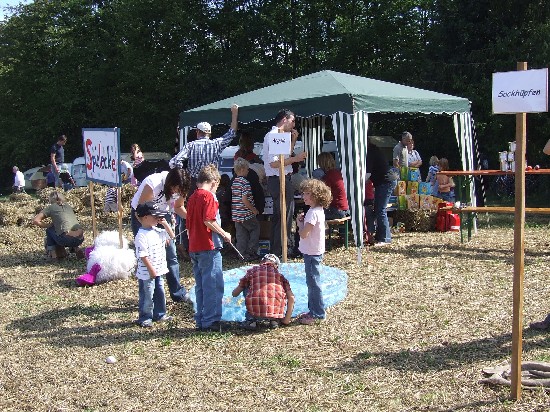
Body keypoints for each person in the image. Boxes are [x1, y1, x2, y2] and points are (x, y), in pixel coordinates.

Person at [130, 168, 191, 303]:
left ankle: (178, 293)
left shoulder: (181, 188)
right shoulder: (153, 183)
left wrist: (191, 219)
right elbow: (140, 212)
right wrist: (153, 233)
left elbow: (178, 207)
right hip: (143, 217)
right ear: (169, 182)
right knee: (149, 257)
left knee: (171, 255)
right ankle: (149, 298)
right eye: (175, 189)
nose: (176, 192)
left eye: (180, 191)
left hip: (163, 216)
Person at [187, 165, 231, 332]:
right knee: (213, 284)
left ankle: (201, 318)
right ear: (214, 182)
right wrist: (224, 233)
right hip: (208, 246)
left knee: (201, 286)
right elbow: (209, 220)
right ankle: (211, 321)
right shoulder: (209, 196)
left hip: (194, 246)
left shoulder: (192, 197)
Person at [263, 109, 307, 256]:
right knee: (285, 216)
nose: (294, 124)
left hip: (280, 178)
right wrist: (296, 159)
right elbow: (275, 163)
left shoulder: (279, 135)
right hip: (278, 179)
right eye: (292, 121)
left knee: (280, 217)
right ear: (284, 119)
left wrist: (293, 140)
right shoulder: (274, 135)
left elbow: (284, 156)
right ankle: (282, 250)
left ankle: (277, 250)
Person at [133, 201, 176, 327]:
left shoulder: (157, 231)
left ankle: (160, 314)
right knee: (147, 294)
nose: (158, 218)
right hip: (147, 273)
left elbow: (172, 236)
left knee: (160, 292)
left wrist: (165, 223)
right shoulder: (141, 235)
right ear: (145, 217)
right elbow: (143, 255)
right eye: (155, 216)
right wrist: (151, 270)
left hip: (159, 270)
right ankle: (145, 317)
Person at [170, 104, 239, 181]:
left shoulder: (190, 145)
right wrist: (234, 113)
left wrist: (184, 174)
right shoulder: (217, 144)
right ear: (210, 133)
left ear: (197, 131)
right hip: (210, 181)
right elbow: (231, 133)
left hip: (193, 181)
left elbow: (175, 161)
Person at [296, 178, 332, 325]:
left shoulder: (312, 213)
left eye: (307, 193)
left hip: (311, 253)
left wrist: (299, 224)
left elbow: (304, 234)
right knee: (313, 282)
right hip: (315, 251)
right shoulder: (318, 210)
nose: (304, 196)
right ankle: (314, 310)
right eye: (303, 193)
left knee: (313, 284)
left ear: (316, 195)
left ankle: (317, 313)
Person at [232, 253, 295, 330]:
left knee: (246, 286)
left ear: (261, 262)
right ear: (276, 266)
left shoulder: (252, 271)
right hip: (275, 313)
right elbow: (291, 298)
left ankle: (251, 321)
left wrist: (234, 294)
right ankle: (274, 321)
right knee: (278, 290)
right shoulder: (280, 276)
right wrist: (286, 320)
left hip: (255, 311)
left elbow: (235, 293)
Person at [32, 191, 85, 259]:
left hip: (66, 239)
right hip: (80, 238)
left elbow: (35, 220)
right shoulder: (68, 206)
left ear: (50, 199)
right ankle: (76, 249)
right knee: (67, 228)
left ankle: (54, 255)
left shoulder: (51, 207)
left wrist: (48, 225)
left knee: (49, 230)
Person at [367, 140, 398, 246]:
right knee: (378, 209)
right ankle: (380, 236)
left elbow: (367, 174)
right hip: (385, 181)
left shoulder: (370, 152)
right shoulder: (373, 149)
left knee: (381, 209)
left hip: (385, 181)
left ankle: (385, 238)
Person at [231, 158, 260, 262]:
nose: (248, 171)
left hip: (236, 214)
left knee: (241, 234)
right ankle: (251, 251)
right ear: (243, 169)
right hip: (246, 213)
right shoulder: (245, 183)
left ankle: (241, 254)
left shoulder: (234, 182)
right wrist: (254, 209)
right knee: (255, 228)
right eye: (247, 169)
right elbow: (245, 199)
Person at [316, 152, 349, 220]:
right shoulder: (338, 173)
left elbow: (323, 195)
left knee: (314, 214)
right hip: (346, 209)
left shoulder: (328, 176)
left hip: (337, 210)